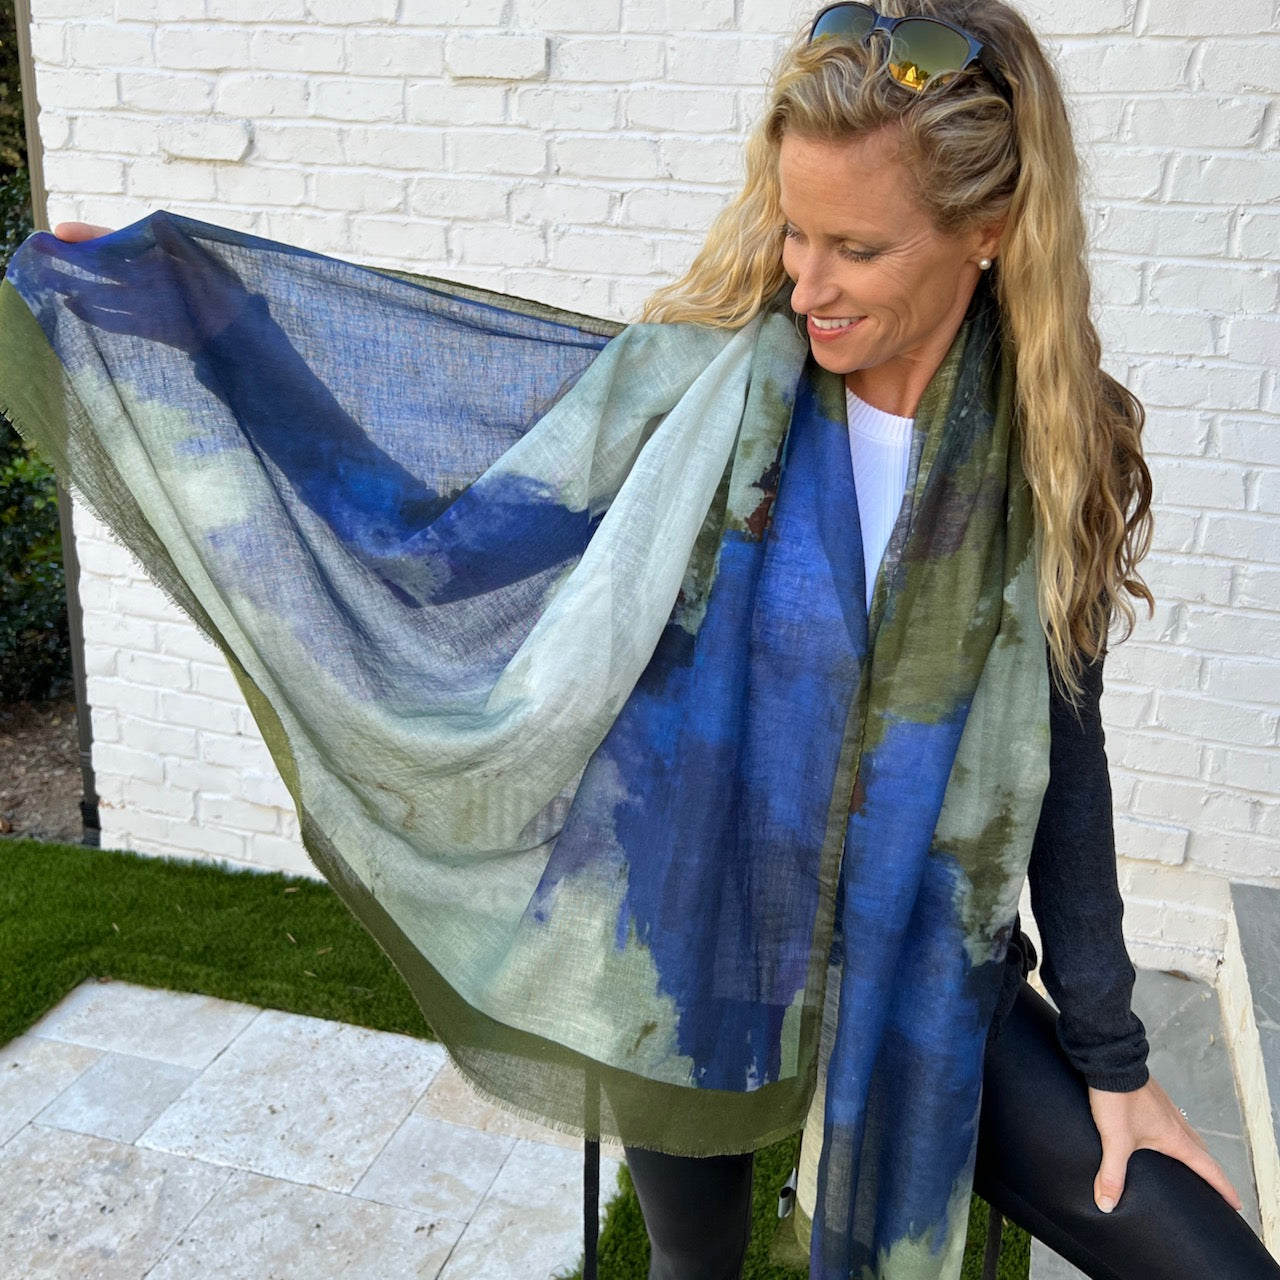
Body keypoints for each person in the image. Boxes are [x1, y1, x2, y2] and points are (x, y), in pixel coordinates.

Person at [19, 3, 1279, 1278]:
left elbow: (1064, 757)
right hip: (694, 938)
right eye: (793, 229)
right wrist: (207, 327)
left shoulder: (1052, 445)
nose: (806, 283)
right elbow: (432, 542)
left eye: (856, 247)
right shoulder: (697, 391)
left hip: (922, 969)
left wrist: (1112, 1059)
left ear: (988, 230)